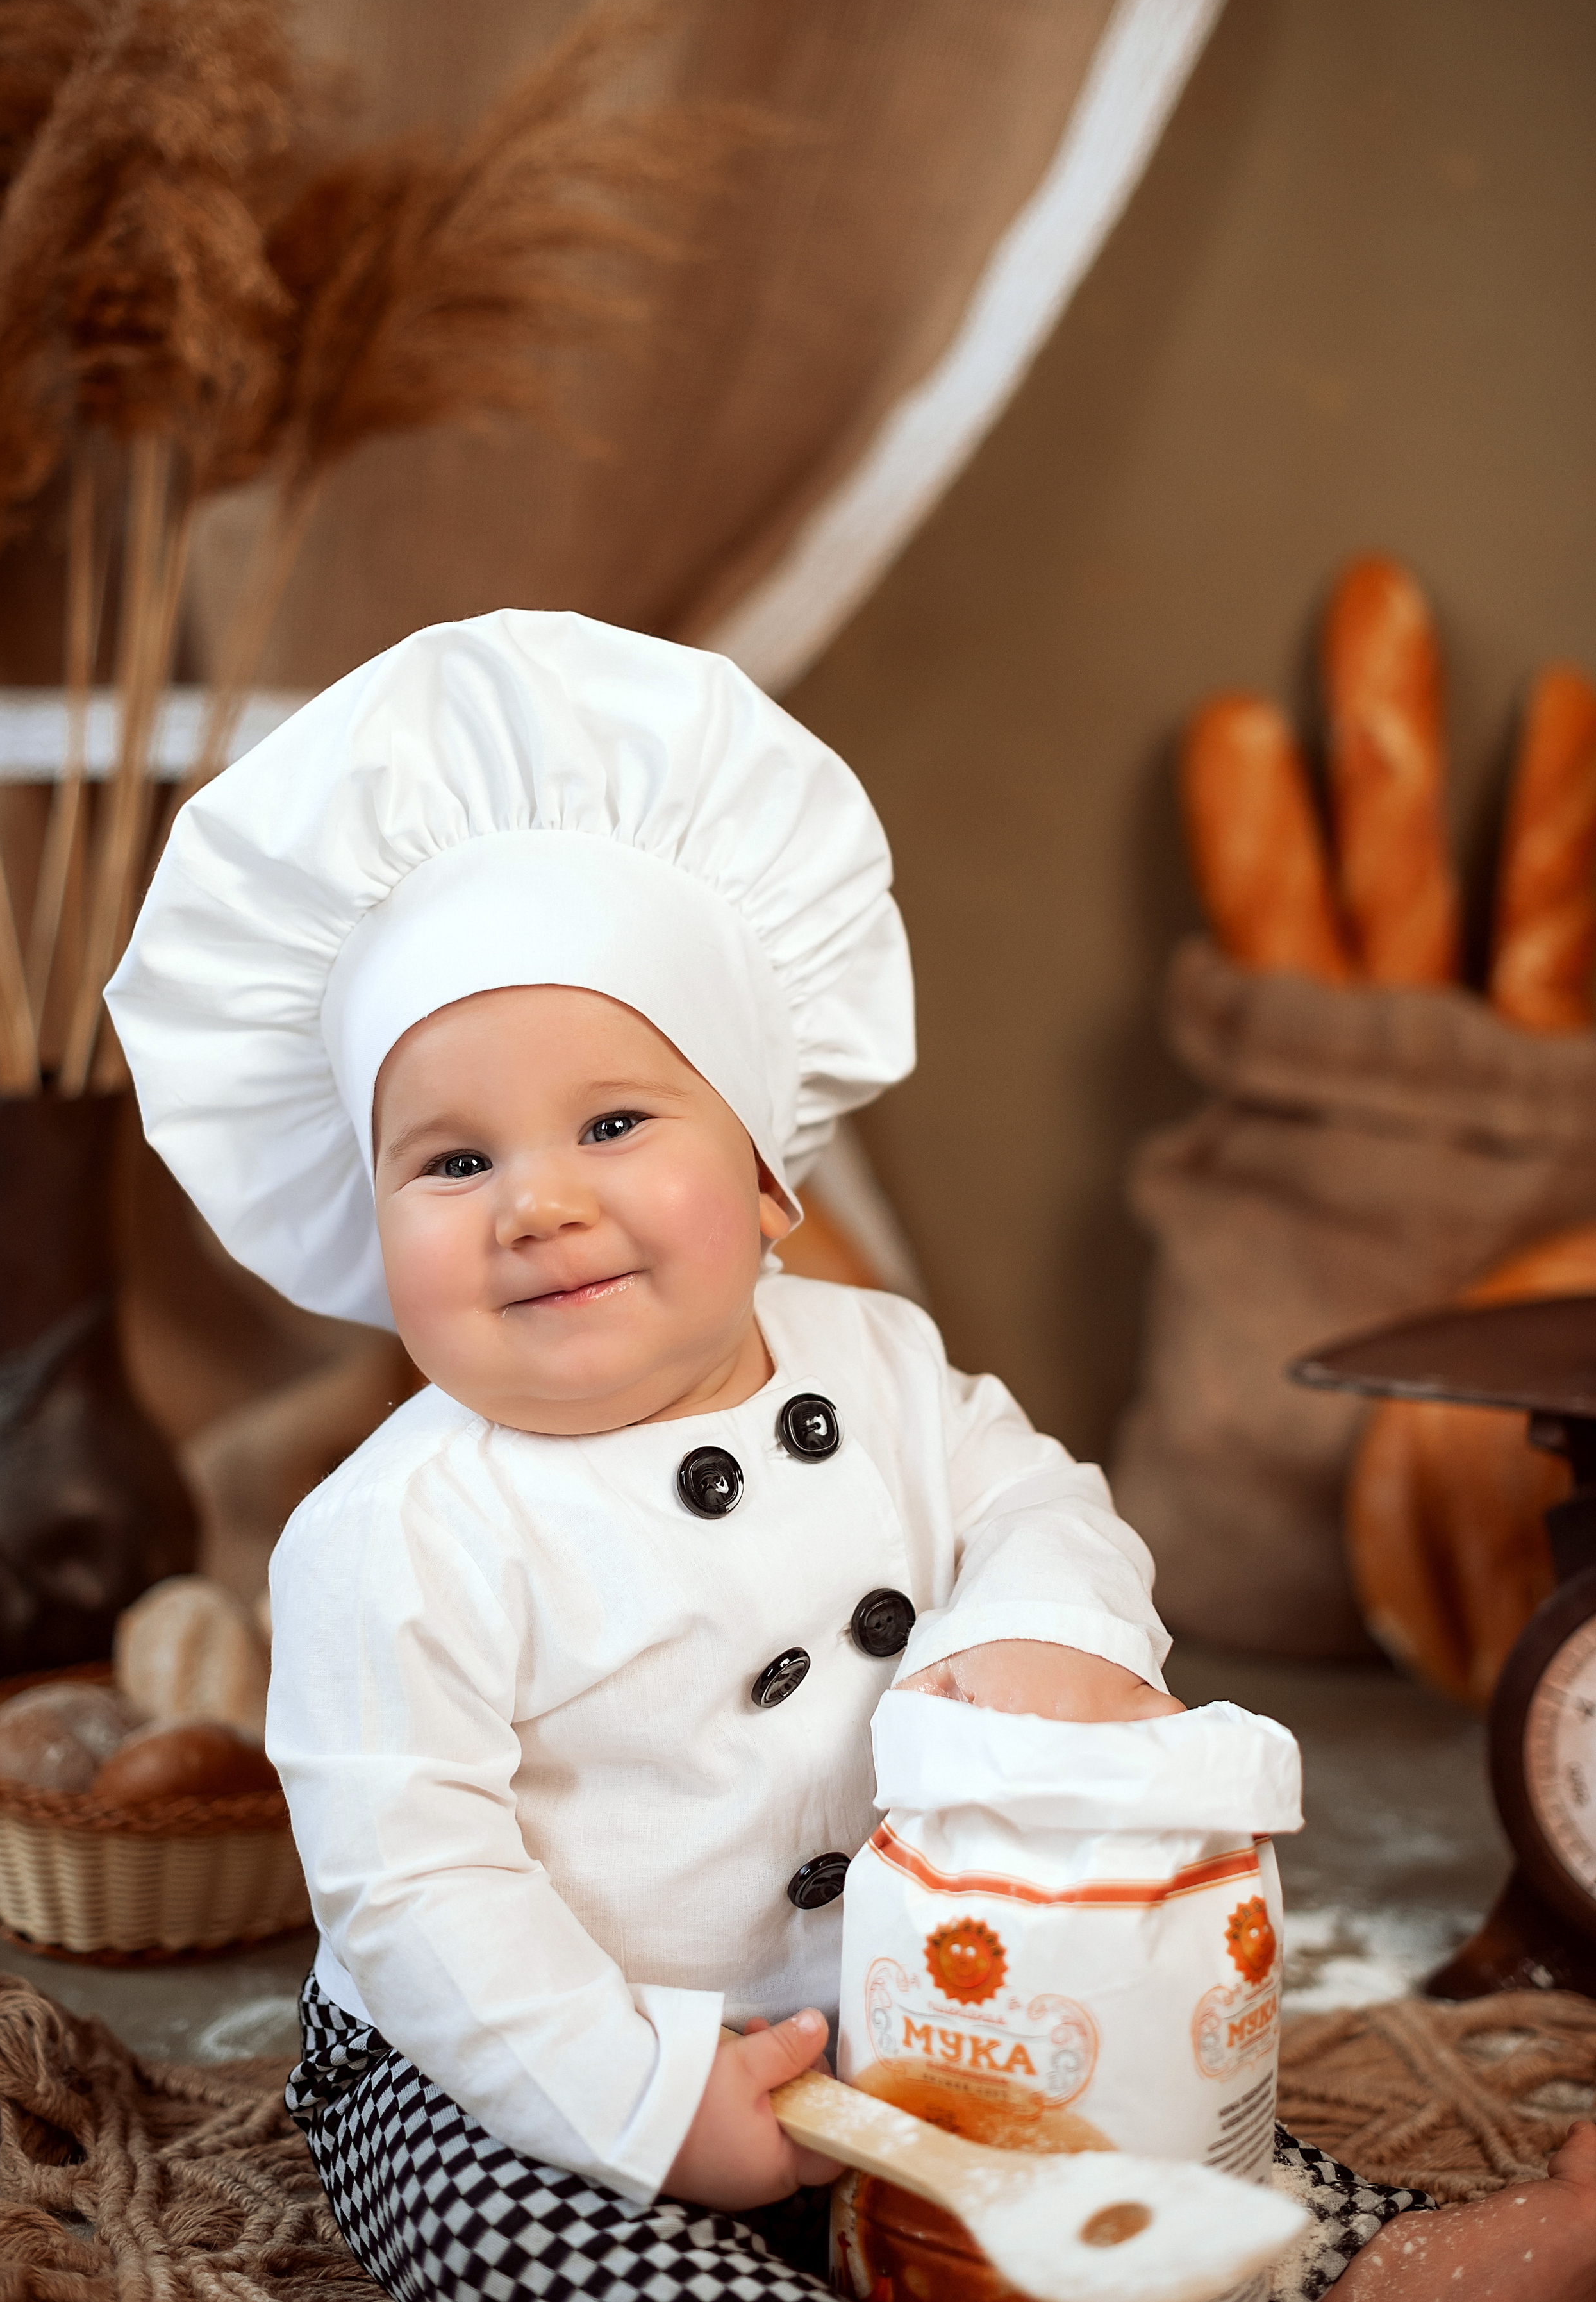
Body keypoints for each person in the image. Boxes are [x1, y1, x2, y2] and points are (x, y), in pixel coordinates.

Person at [108, 611, 1596, 2302]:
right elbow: (418, 1891)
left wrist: (1046, 1631)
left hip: (915, 2000)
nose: (538, 1201)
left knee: (1153, 2170)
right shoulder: (393, 1532)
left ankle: (1396, 2260)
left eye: (614, 1122)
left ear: (768, 1176)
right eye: (452, 1162)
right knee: (586, 2260)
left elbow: (1037, 1501)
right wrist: (651, 2099)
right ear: (372, 1232)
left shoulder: (877, 1360)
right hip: (511, 2063)